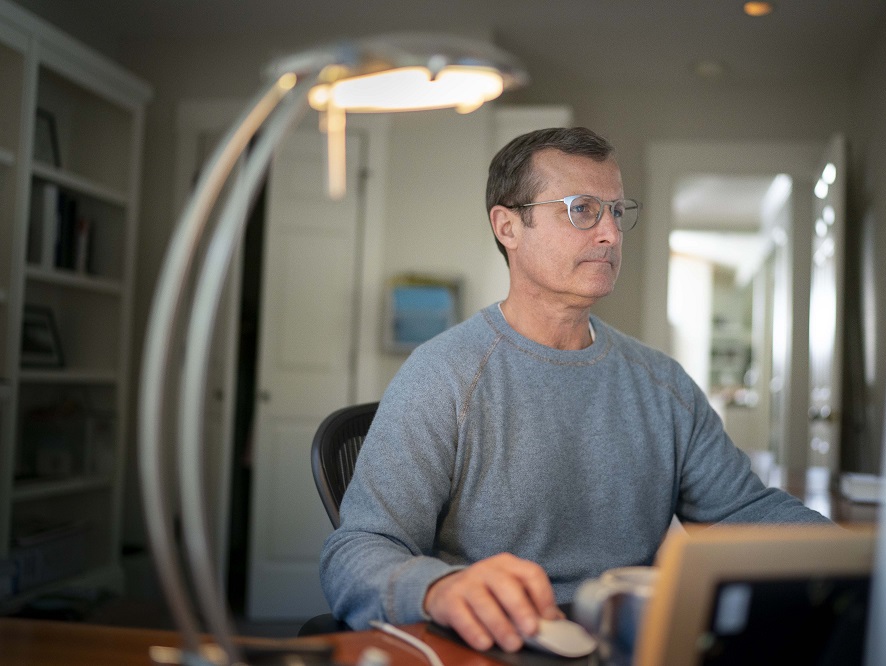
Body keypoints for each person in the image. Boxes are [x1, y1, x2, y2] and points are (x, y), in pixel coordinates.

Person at [320, 127, 829, 653]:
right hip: (492, 646)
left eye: (616, 211)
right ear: (509, 226)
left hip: (627, 642)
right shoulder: (442, 376)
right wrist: (439, 588)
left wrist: (875, 558)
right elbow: (357, 550)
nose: (610, 233)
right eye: (583, 210)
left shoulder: (661, 383)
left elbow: (744, 510)